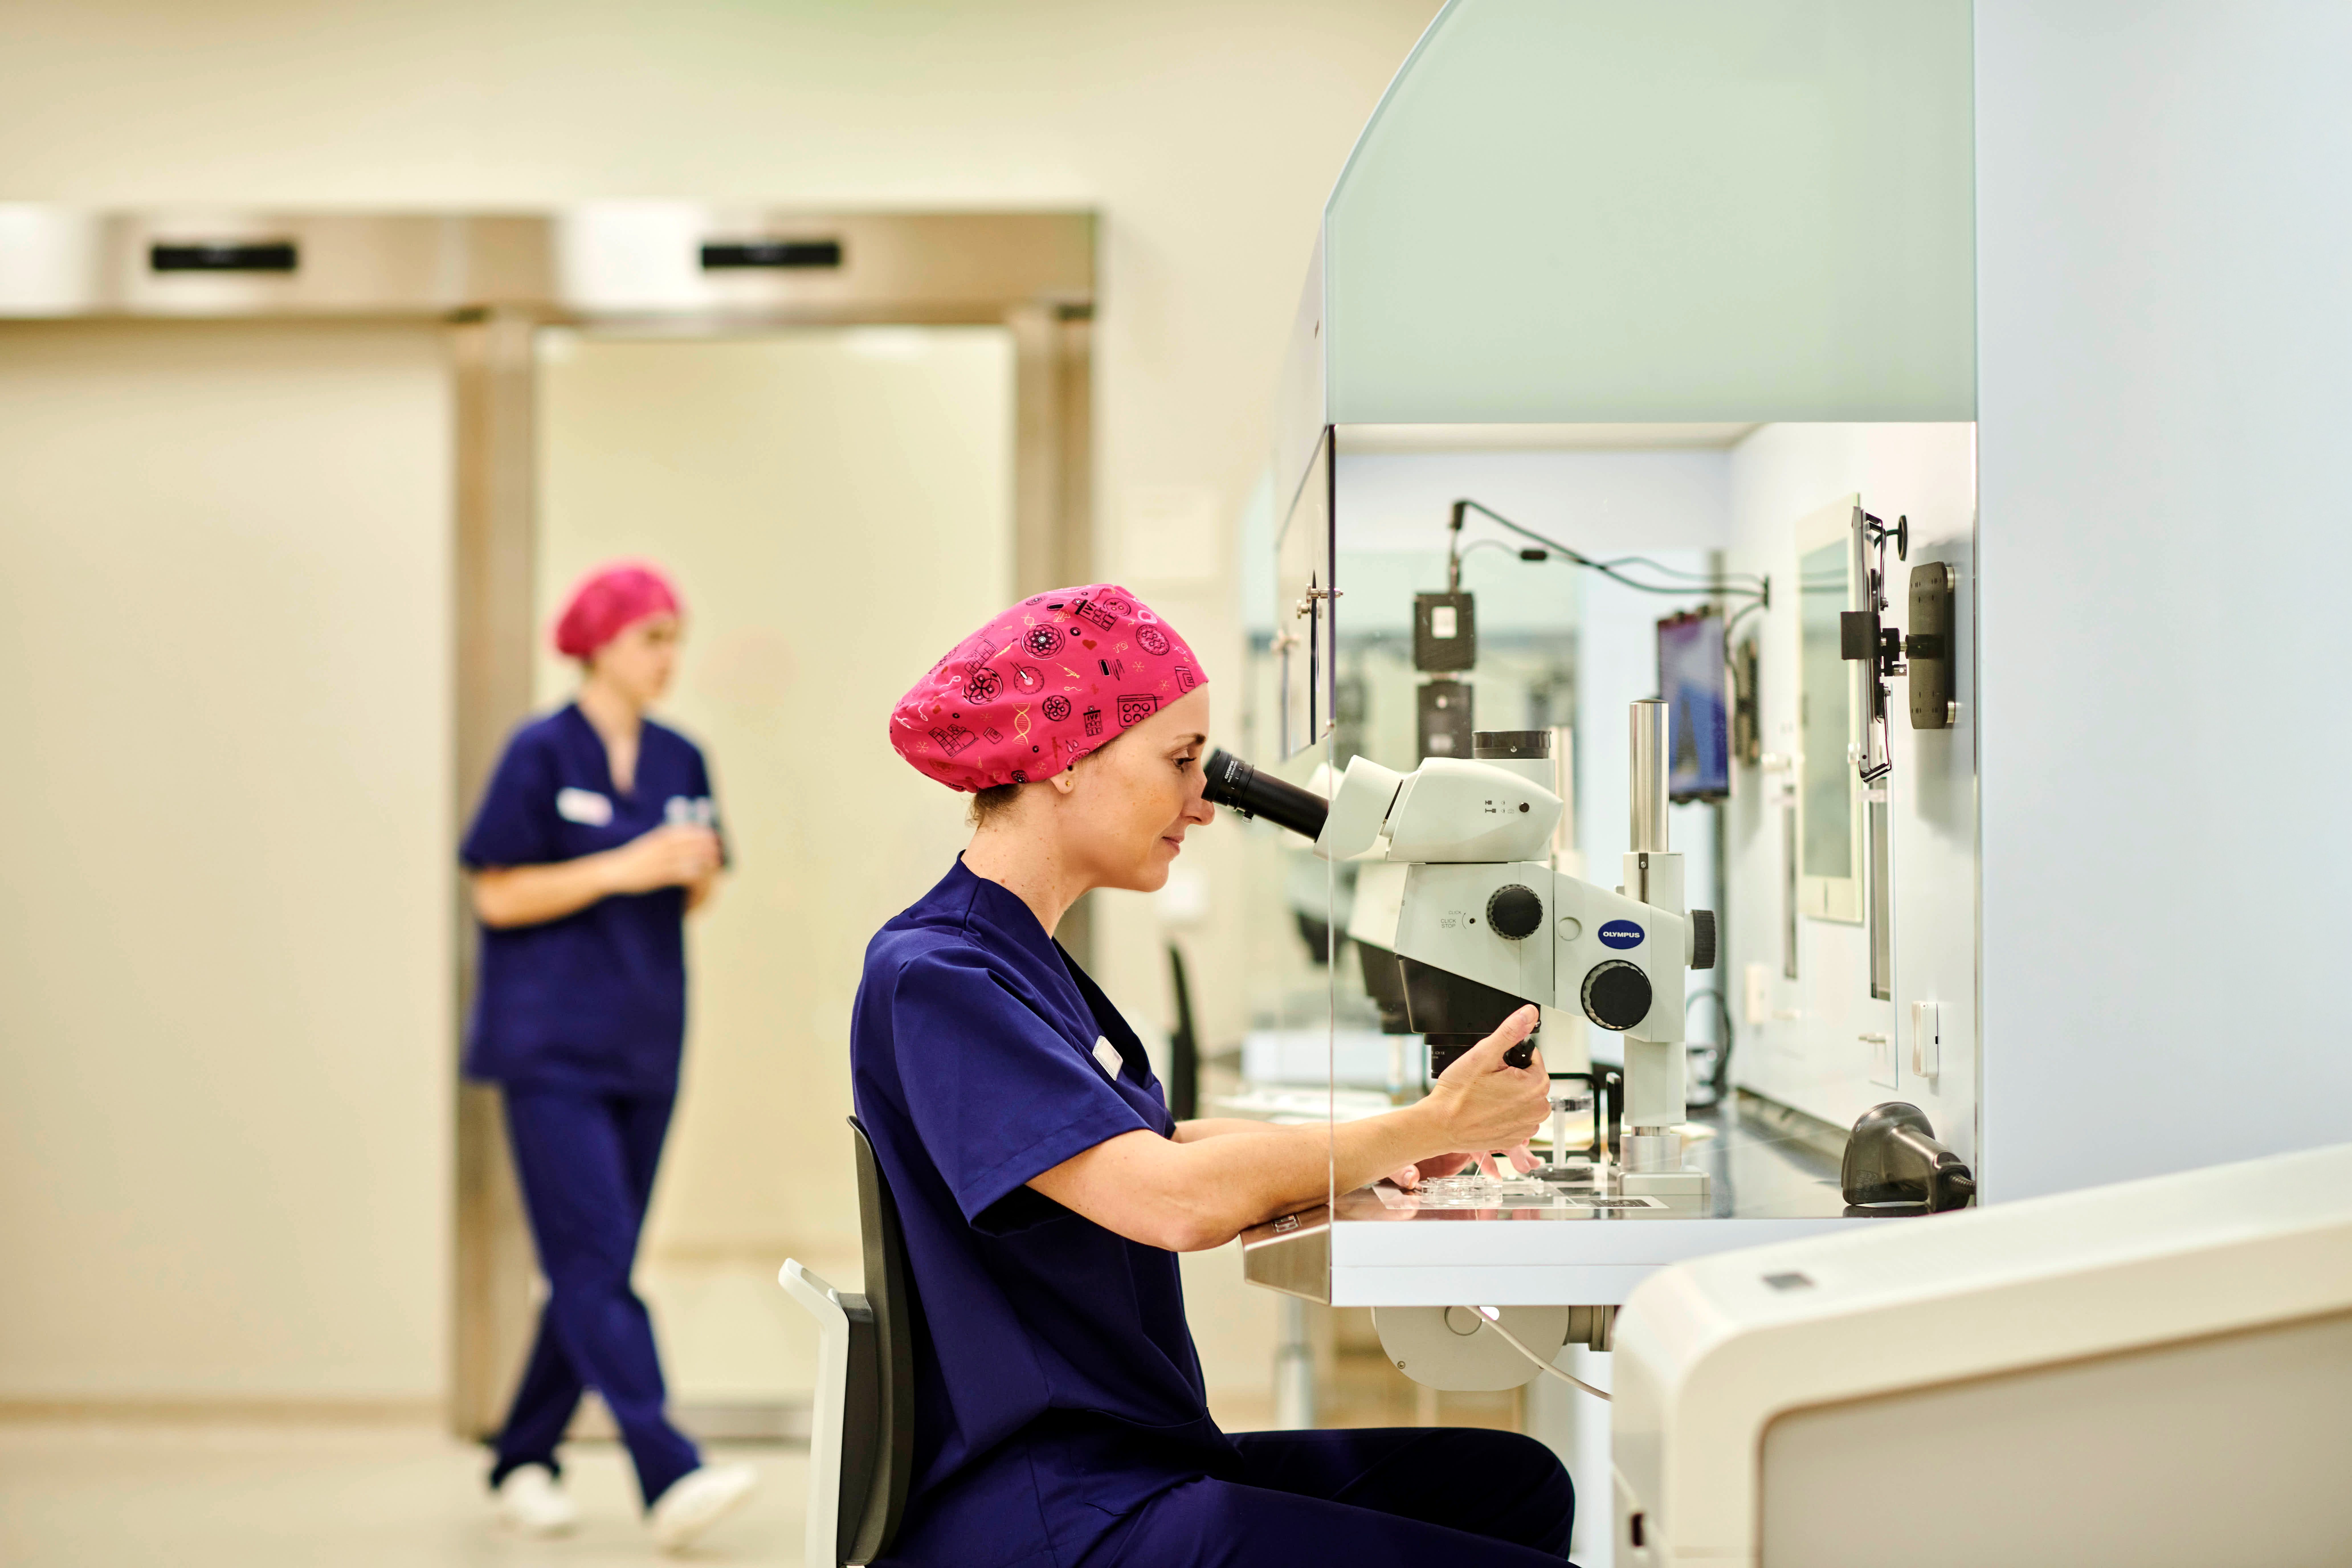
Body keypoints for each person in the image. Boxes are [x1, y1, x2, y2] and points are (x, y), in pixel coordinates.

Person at [852, 585, 1575, 1568]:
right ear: (1066, 759)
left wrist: (1393, 1145)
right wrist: (1422, 1122)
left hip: (1132, 1457)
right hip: (1055, 1508)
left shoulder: (1020, 960)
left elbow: (1151, 1148)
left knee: (1518, 1488)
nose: (1202, 801)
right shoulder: (935, 979)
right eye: (1181, 763)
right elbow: (1171, 1203)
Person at [459, 560, 759, 1551]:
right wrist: (626, 866)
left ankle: (523, 1456)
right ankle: (666, 1468)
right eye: (651, 638)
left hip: (645, 1039)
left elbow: (698, 888)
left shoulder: (683, 758)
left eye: (676, 637)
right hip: (549, 1047)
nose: (669, 657)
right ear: (597, 646)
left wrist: (689, 873)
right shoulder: (539, 753)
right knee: (594, 1261)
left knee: (597, 1262)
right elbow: (496, 894)